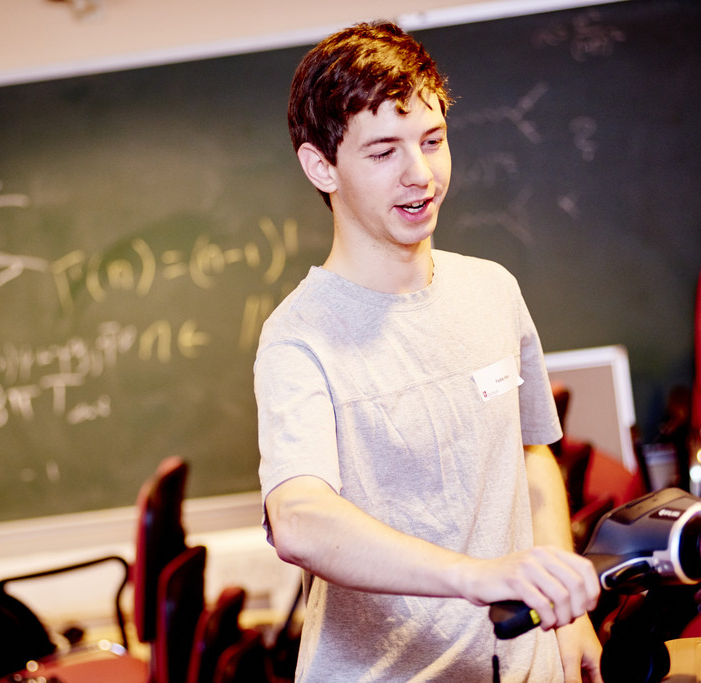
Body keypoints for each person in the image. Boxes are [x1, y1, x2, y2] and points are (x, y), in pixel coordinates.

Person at [254, 21, 604, 682]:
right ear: (320, 164)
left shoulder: (492, 289)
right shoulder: (297, 336)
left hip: (526, 666)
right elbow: (299, 516)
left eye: (433, 141)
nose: (421, 175)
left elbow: (529, 458)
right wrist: (476, 577)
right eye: (383, 151)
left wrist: (565, 611)